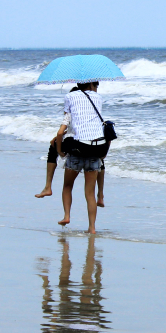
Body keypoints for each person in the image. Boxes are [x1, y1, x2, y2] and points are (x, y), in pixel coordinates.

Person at [56, 81, 109, 233]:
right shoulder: (98, 97)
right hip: (96, 147)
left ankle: (66, 216)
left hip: (78, 148)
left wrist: (60, 151)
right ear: (92, 85)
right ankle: (92, 227)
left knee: (67, 186)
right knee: (90, 193)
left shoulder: (70, 96)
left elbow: (61, 132)